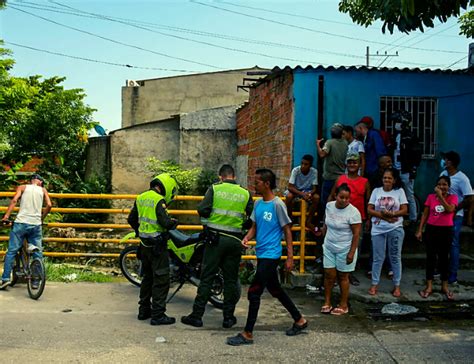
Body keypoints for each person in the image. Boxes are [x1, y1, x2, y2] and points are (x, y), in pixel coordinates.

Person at [227, 168, 308, 346]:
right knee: (276, 290)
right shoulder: (258, 204)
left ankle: (248, 333)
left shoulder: (278, 204)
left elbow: (287, 230)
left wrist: (290, 257)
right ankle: (299, 319)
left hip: (272, 255)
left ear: (266, 184)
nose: (254, 184)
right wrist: (247, 237)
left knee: (254, 292)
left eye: (257, 182)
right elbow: (255, 227)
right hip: (262, 253)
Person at [181, 164, 253, 329]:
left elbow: (202, 210)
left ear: (221, 176)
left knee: (207, 278)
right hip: (235, 242)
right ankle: (228, 318)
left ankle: (197, 316)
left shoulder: (215, 189)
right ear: (234, 176)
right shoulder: (245, 193)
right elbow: (251, 217)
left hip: (215, 241)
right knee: (230, 280)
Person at [127, 173, 179, 325]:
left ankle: (143, 311)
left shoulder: (141, 197)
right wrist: (174, 222)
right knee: (161, 279)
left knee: (147, 279)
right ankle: (158, 315)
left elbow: (131, 219)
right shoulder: (158, 200)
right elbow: (165, 222)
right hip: (157, 247)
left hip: (144, 246)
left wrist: (139, 232)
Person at [1, 174, 52, 289]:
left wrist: (6, 217)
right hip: (36, 225)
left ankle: (5, 279)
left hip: (21, 223)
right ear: (40, 182)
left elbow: (14, 200)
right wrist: (41, 218)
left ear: (31, 181)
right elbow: (49, 205)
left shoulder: (22, 187)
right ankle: (35, 281)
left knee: (12, 251)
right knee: (37, 253)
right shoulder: (43, 190)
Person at [328, 153, 370, 286]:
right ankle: (334, 275)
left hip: (358, 219)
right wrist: (327, 215)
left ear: (359, 165)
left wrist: (369, 219)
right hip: (338, 219)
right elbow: (331, 197)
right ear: (346, 164)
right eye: (350, 162)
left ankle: (349, 274)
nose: (352, 165)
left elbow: (368, 201)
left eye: (355, 162)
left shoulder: (365, 182)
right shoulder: (340, 179)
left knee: (356, 246)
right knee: (335, 247)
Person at [320, 183, 361, 315]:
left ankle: (343, 304)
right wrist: (322, 233)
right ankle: (327, 301)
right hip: (329, 246)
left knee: (343, 276)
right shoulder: (329, 206)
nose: (344, 201)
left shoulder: (354, 212)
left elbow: (356, 234)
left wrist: (351, 252)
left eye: (347, 198)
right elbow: (326, 223)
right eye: (341, 197)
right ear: (335, 196)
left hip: (345, 248)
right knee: (329, 275)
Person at [367, 168, 408, 297]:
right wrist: (383, 215)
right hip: (378, 229)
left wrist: (393, 214)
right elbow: (369, 209)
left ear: (394, 180)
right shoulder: (376, 191)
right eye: (385, 178)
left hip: (395, 228)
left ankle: (397, 286)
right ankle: (374, 284)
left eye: (389, 178)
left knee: (395, 257)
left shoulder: (399, 191)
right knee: (377, 258)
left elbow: (404, 209)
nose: (387, 180)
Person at [416, 176, 457, 300]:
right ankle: (429, 286)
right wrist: (420, 230)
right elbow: (425, 214)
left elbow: (450, 209)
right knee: (431, 258)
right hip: (432, 229)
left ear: (448, 186)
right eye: (439, 185)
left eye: (444, 185)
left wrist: (440, 197)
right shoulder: (430, 197)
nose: (442, 187)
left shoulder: (453, 198)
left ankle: (444, 286)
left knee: (444, 258)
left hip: (446, 230)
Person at [439, 151, 474, 284]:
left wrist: (455, 209)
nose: (443, 161)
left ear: (451, 162)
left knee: (453, 243)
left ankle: (452, 274)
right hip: (441, 213)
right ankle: (440, 269)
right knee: (441, 243)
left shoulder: (462, 178)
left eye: (446, 159)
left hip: (456, 216)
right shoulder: (443, 175)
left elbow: (469, 197)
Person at [390, 111, 422, 224]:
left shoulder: (411, 136)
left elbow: (417, 155)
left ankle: (413, 218)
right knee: (394, 193)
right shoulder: (395, 135)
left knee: (409, 195)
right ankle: (396, 215)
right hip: (395, 169)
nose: (396, 124)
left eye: (398, 121)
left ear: (404, 122)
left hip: (406, 170)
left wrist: (413, 169)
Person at [316, 123, 348, 208]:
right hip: (341, 178)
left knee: (326, 202)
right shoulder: (345, 143)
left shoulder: (330, 142)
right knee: (338, 201)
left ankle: (325, 218)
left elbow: (322, 154)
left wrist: (318, 145)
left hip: (329, 177)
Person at [284, 154, 320, 230]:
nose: (303, 166)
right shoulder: (296, 170)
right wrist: (302, 194)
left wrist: (309, 194)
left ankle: (309, 221)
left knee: (316, 197)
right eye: (302, 163)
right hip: (295, 190)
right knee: (289, 196)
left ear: (310, 165)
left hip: (307, 191)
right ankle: (289, 219)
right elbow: (290, 187)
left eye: (306, 164)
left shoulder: (314, 171)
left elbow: (314, 188)